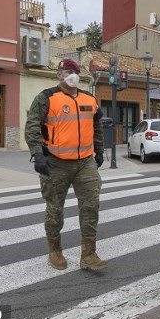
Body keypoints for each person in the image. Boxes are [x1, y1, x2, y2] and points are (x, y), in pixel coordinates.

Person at [24, 58, 108, 271]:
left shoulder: (90, 99)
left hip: (85, 162)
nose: (72, 74)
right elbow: (32, 126)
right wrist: (38, 155)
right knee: (55, 209)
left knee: (91, 206)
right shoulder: (46, 98)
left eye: (76, 71)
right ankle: (55, 250)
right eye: (67, 71)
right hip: (55, 163)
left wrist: (99, 151)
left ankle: (88, 254)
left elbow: (96, 126)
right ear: (58, 74)